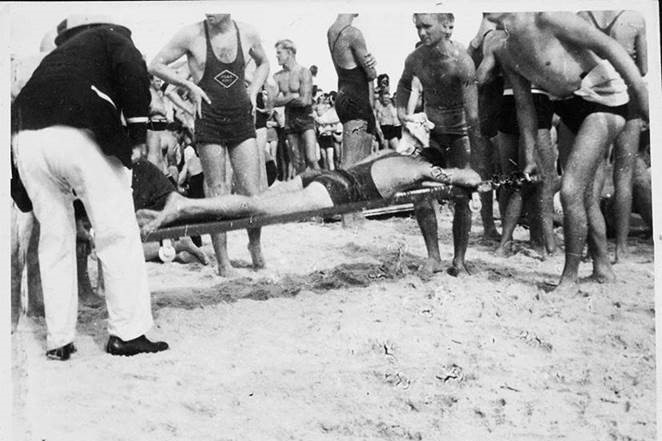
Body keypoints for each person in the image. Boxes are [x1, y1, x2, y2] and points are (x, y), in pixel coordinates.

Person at [11, 14, 169, 359]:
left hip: (26, 138)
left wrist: (21, 189)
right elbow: (132, 68)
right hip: (80, 131)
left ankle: (59, 340)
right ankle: (127, 334)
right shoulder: (110, 38)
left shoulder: (53, 59)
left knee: (54, 239)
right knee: (116, 233)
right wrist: (139, 133)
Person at [483, 12, 648, 293]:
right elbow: (524, 105)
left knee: (569, 191)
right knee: (583, 194)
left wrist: (644, 103)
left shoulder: (548, 19)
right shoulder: (505, 48)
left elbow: (611, 48)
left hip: (605, 99)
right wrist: (531, 154)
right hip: (567, 105)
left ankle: (569, 280)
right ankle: (602, 269)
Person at [149, 13, 269, 276]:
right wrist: (188, 87)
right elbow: (155, 65)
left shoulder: (247, 31)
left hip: (241, 118)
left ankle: (255, 247)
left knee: (251, 190)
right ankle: (223, 261)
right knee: (217, 190)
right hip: (209, 120)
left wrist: (253, 91)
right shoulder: (190, 34)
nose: (211, 13)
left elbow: (263, 63)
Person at [138, 151, 483, 240]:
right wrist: (471, 179)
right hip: (337, 192)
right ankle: (183, 204)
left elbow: (358, 164)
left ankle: (184, 207)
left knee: (259, 203)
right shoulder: (420, 167)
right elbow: (466, 176)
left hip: (332, 179)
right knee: (255, 206)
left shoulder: (391, 153)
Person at [396, 13, 487, 275]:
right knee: (420, 193)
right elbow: (403, 84)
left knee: (463, 195)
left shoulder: (462, 62)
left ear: (444, 26)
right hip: (431, 133)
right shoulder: (415, 59)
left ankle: (459, 260)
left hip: (459, 134)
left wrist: (476, 161)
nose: (422, 33)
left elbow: (472, 116)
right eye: (418, 27)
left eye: (427, 27)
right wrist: (402, 111)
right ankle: (433, 256)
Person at [477, 29, 558, 256]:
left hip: (508, 97)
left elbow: (481, 77)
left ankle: (507, 242)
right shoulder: (545, 31)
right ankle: (541, 242)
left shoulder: (496, 37)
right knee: (539, 180)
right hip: (536, 96)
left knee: (511, 178)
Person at [578, 10, 647, 262]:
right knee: (623, 176)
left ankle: (592, 247)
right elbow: (644, 68)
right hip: (626, 95)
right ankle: (621, 247)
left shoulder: (581, 16)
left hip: (596, 99)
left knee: (591, 178)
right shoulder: (634, 18)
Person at [327, 14, 382, 167]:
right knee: (355, 164)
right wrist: (372, 63)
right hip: (357, 98)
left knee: (356, 163)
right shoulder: (352, 33)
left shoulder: (332, 32)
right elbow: (371, 73)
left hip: (344, 92)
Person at [272, 39, 318, 173]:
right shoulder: (278, 76)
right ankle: (305, 191)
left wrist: (284, 99)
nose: (277, 56)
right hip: (290, 119)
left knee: (311, 158)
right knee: (297, 161)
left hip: (305, 118)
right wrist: (292, 96)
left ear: (289, 53)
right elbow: (272, 101)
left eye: (279, 53)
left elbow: (305, 101)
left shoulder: (303, 72)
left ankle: (324, 185)